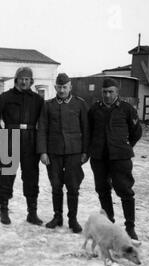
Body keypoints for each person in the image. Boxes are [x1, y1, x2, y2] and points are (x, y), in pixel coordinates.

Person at [0, 67, 44, 225]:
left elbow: (45, 122)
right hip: (10, 139)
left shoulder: (37, 100)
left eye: (27, 79)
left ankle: (32, 213)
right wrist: (1, 135)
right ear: (16, 79)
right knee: (6, 175)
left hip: (30, 142)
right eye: (21, 78)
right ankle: (3, 211)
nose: (24, 81)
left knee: (31, 177)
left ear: (31, 81)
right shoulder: (5, 97)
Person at [88, 78, 142, 240]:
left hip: (120, 158)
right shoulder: (94, 110)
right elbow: (88, 131)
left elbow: (136, 132)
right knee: (103, 190)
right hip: (99, 158)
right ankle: (109, 223)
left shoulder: (127, 109)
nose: (107, 95)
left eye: (111, 92)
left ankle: (130, 227)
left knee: (125, 191)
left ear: (117, 93)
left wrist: (124, 147)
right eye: (104, 92)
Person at [37, 73, 89, 233]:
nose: (62, 90)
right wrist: (43, 152)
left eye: (65, 87)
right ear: (55, 88)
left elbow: (86, 129)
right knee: (56, 186)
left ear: (70, 87)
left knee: (73, 187)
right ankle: (57, 217)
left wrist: (85, 151)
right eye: (59, 87)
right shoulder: (48, 105)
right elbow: (42, 129)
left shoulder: (80, 104)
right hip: (53, 152)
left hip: (74, 152)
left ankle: (73, 220)